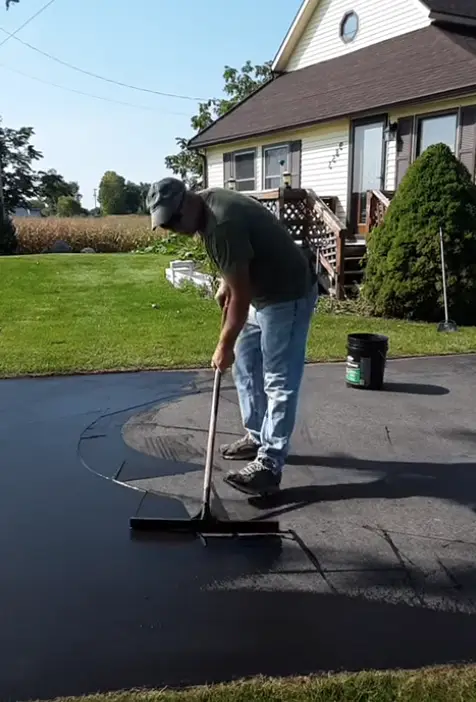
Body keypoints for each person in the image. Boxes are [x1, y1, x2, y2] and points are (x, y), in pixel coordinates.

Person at [147, 177, 318, 497]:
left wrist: (222, 346)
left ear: (187, 202)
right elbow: (241, 266)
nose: (173, 229)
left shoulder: (221, 223)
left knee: (279, 379)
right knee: (246, 366)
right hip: (260, 293)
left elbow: (240, 297)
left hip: (286, 294)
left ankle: (269, 463)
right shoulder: (206, 207)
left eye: (173, 220)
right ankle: (256, 437)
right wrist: (227, 281)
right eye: (165, 224)